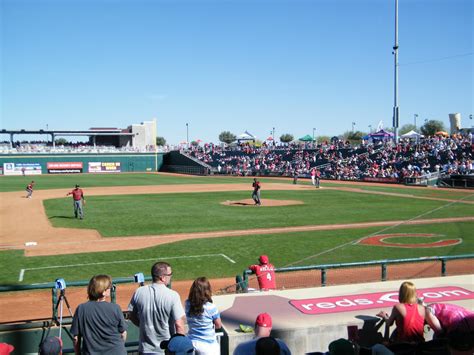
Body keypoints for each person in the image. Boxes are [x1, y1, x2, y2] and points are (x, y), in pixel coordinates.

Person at [128, 261, 186, 354]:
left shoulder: (139, 292)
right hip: (165, 350)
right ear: (162, 277)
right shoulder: (173, 295)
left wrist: (144, 325)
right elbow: (179, 324)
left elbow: (131, 315)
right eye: (170, 274)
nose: (171, 277)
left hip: (145, 350)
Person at [70, 274, 127, 355]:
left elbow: (76, 339)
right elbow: (123, 333)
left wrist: (78, 353)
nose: (111, 289)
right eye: (109, 287)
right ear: (103, 292)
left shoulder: (81, 309)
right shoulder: (115, 308)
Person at [185, 277, 222, 355]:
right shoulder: (211, 307)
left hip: (191, 344)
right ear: (207, 291)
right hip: (208, 347)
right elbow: (218, 325)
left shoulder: (187, 303)